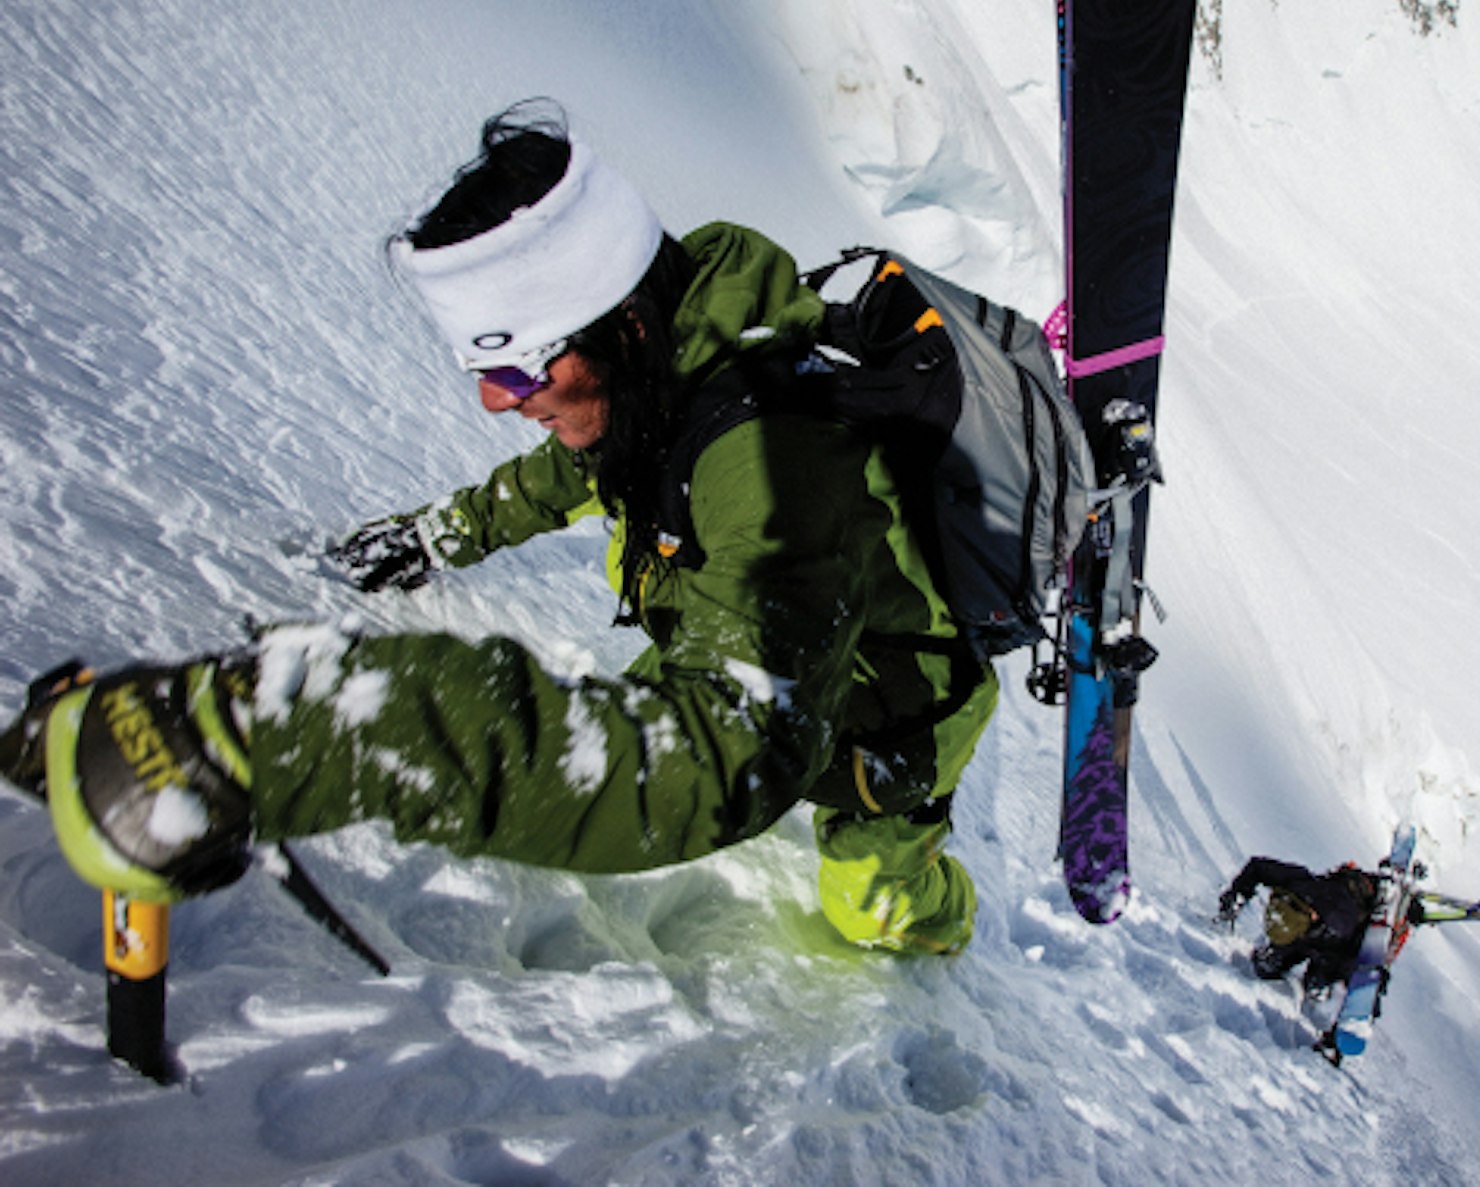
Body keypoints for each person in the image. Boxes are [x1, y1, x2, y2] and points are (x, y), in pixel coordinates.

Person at [0, 102, 996, 956]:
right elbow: (562, 474)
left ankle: (942, 911)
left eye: (520, 368)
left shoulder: (777, 469)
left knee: (866, 908)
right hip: (740, 636)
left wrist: (287, 732)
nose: (491, 397)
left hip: (886, 714)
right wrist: (433, 535)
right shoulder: (661, 374)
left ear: (624, 327)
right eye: (487, 366)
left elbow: (720, 761)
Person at [1215, 856, 1390, 1002]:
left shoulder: (1340, 922)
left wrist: (1370, 977)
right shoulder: (1297, 884)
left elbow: (1355, 952)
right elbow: (1257, 867)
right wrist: (1234, 897)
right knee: (1264, 967)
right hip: (1309, 933)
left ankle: (1319, 982)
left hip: (1333, 944)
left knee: (1317, 982)